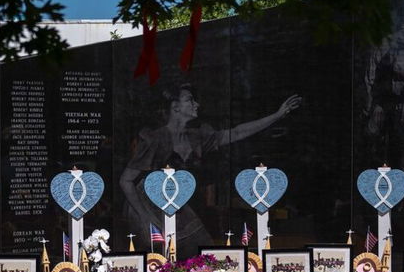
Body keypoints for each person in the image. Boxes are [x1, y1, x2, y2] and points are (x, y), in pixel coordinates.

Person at [119, 84, 301, 254]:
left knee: (200, 246)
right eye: (190, 100)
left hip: (174, 200)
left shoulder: (197, 137)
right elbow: (126, 181)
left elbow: (237, 132)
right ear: (175, 108)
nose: (196, 104)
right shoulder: (155, 139)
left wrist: (277, 115)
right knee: (160, 253)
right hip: (146, 204)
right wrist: (146, 218)